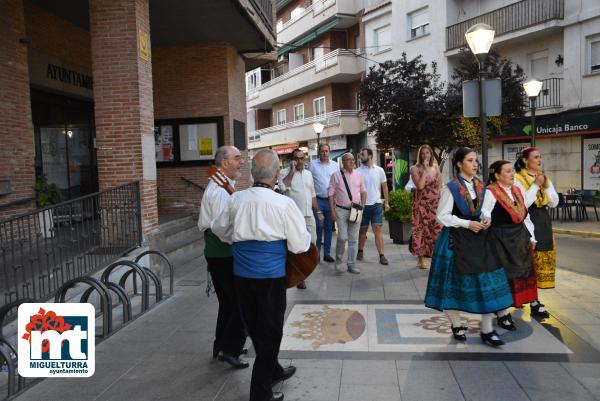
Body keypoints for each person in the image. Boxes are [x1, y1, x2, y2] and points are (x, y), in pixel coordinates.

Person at [212, 149, 311, 401]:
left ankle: (274, 370)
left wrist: (241, 241)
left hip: (242, 277)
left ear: (252, 173)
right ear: (277, 174)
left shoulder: (237, 200)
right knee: (270, 334)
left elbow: (220, 230)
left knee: (255, 326)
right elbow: (300, 245)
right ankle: (260, 393)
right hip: (270, 279)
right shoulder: (284, 203)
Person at [424, 147, 514, 347]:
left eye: (476, 160)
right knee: (452, 287)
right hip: (456, 240)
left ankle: (487, 329)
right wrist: (467, 223)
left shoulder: (482, 187)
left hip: (480, 240)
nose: (475, 164)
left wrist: (486, 218)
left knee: (487, 284)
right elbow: (442, 216)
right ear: (459, 164)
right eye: (470, 160)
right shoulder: (452, 188)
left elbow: (487, 209)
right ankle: (456, 324)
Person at [197, 145, 248, 368]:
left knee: (228, 304)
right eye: (237, 158)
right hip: (223, 253)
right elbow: (220, 228)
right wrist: (240, 237)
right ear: (224, 163)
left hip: (219, 254)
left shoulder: (222, 184)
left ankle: (222, 345)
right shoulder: (218, 190)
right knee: (240, 303)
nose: (242, 162)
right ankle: (230, 349)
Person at [482, 160, 539, 327]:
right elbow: (485, 211)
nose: (512, 174)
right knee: (503, 277)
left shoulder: (516, 190)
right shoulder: (491, 192)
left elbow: (524, 215)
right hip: (500, 239)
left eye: (512, 170)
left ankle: (507, 308)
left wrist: (531, 237)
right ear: (497, 175)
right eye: (507, 171)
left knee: (518, 275)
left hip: (519, 238)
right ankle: (502, 313)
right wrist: (486, 218)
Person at [514, 147, 558, 318]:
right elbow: (522, 203)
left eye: (540, 157)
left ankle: (534, 299)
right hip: (527, 221)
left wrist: (546, 185)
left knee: (540, 261)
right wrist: (535, 185)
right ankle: (532, 300)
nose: (539, 160)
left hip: (543, 221)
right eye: (535, 157)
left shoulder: (543, 177)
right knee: (528, 263)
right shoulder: (517, 178)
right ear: (526, 160)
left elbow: (554, 202)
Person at [279, 148, 324, 289]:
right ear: (292, 160)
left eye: (301, 158)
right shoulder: (284, 173)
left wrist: (318, 211)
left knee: (312, 242)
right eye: (297, 158)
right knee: (297, 247)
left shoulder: (309, 174)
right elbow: (283, 187)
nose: (299, 161)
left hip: (309, 215)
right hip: (295, 217)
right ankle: (299, 277)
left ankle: (304, 269)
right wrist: (292, 171)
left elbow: (312, 195)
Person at [328, 152, 366, 274]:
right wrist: (332, 211)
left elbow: (363, 191)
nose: (352, 161)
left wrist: (362, 206)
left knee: (353, 239)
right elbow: (330, 194)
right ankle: (338, 261)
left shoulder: (359, 175)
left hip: (355, 211)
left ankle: (351, 264)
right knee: (342, 237)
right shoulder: (336, 175)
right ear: (343, 162)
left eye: (353, 159)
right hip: (341, 210)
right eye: (349, 160)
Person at [410, 144, 443, 269]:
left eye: (427, 153)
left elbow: (439, 185)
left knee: (436, 230)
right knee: (421, 231)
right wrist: (424, 169)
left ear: (431, 154)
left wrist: (440, 201)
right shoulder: (414, 168)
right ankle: (421, 259)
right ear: (420, 155)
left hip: (434, 204)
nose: (425, 155)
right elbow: (420, 186)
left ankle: (435, 257)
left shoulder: (436, 167)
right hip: (421, 205)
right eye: (423, 153)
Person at [357, 148, 390, 265]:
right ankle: (360, 250)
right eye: (361, 154)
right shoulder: (358, 171)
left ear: (370, 156)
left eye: (363, 154)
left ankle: (382, 255)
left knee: (377, 229)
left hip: (376, 204)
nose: (361, 156)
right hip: (363, 205)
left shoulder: (379, 170)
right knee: (363, 230)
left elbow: (385, 187)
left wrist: (386, 202)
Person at [309, 143, 340, 263]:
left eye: (326, 151)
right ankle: (316, 253)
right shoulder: (312, 165)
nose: (324, 153)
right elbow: (309, 182)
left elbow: (337, 183)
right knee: (318, 226)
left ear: (329, 152)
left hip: (331, 201)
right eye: (322, 151)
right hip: (318, 200)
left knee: (328, 228)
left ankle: (326, 253)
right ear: (319, 152)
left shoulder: (335, 165)